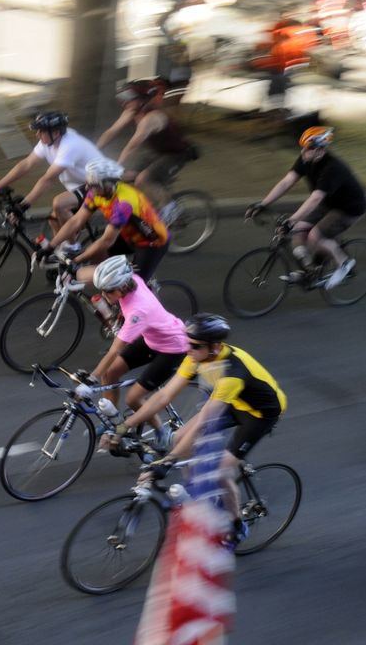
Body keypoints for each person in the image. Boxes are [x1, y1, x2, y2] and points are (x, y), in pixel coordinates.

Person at [114, 313, 286, 549]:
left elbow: (206, 420)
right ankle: (200, 494)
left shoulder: (232, 375)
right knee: (179, 438)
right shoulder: (196, 356)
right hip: (233, 403)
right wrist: (125, 426)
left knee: (220, 473)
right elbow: (164, 396)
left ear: (214, 347)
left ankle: (237, 526)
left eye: (194, 345)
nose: (188, 349)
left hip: (258, 415)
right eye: (187, 342)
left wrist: (167, 461)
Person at [246, 126, 366, 290]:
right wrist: (263, 204)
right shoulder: (306, 159)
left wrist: (291, 219)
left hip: (348, 208)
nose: (304, 152)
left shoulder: (332, 168)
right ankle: (309, 271)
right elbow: (287, 182)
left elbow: (315, 198)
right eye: (304, 148)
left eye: (309, 148)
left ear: (320, 150)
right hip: (327, 204)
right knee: (297, 230)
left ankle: (345, 264)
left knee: (315, 236)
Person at [87, 256, 187, 444]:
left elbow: (114, 351)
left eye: (108, 291)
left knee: (133, 398)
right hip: (152, 339)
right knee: (109, 374)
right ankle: (112, 420)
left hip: (173, 348)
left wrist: (90, 380)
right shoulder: (131, 280)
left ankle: (161, 431)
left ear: (122, 286)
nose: (104, 294)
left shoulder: (138, 311)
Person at [44, 157, 169, 281]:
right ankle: (110, 286)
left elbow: (106, 241)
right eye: (87, 183)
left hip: (150, 242)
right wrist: (50, 247)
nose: (87, 188)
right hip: (127, 235)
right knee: (97, 258)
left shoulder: (123, 203)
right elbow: (76, 221)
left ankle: (145, 292)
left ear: (108, 185)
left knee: (135, 284)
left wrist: (77, 260)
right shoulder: (96, 193)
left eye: (92, 185)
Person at [0, 110, 105, 229]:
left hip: (98, 184)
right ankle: (64, 245)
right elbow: (26, 164)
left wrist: (23, 206)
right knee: (54, 221)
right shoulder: (49, 140)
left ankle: (72, 246)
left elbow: (48, 180)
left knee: (60, 204)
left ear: (55, 133)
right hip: (79, 186)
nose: (37, 135)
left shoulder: (70, 146)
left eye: (41, 131)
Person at [98, 78, 198, 203]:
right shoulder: (131, 111)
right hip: (156, 151)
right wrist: (93, 150)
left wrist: (116, 167)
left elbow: (132, 146)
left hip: (176, 154)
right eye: (123, 98)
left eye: (129, 98)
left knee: (143, 179)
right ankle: (146, 207)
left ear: (141, 100)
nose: (124, 103)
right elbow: (111, 132)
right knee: (126, 175)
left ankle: (170, 210)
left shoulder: (152, 117)